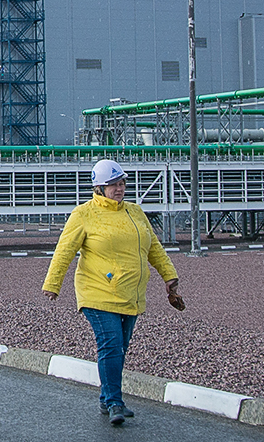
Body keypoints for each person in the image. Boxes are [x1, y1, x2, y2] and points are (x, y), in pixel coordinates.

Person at [42, 159, 184, 427]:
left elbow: (153, 248)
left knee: (120, 347)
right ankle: (115, 402)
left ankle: (106, 397)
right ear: (99, 188)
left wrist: (170, 276)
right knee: (110, 343)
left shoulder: (135, 212)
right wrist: (53, 284)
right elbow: (65, 250)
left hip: (131, 292)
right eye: (112, 185)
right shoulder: (84, 214)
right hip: (97, 291)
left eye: (121, 183)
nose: (119, 189)